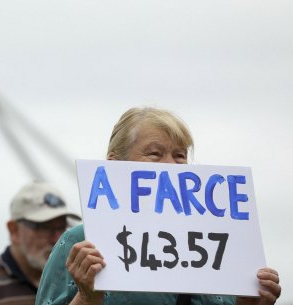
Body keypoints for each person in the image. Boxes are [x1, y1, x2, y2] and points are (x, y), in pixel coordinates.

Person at [36, 107, 282, 305]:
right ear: (115, 162)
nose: (171, 166)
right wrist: (88, 298)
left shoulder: (216, 245)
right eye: (154, 154)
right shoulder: (81, 243)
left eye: (179, 155)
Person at [0, 181, 81, 305]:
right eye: (44, 227)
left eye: (62, 228)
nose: (57, 239)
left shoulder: (78, 281)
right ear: (14, 230)